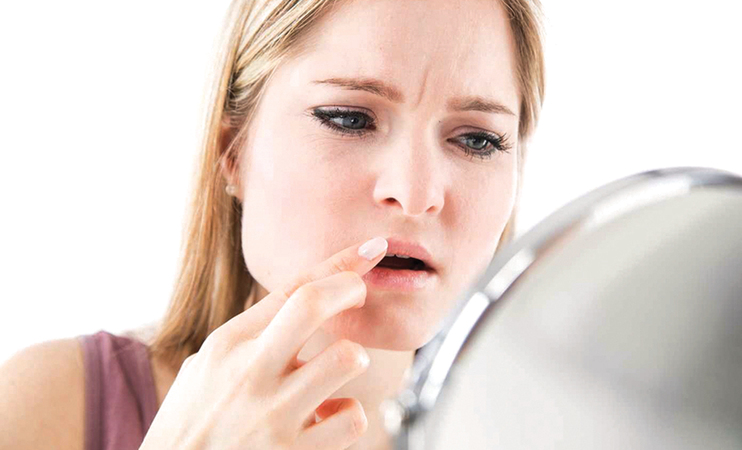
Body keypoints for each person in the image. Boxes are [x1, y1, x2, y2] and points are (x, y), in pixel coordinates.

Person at [0, 0, 545, 448]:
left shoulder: (559, 430)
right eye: (349, 119)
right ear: (232, 153)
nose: (416, 194)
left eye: (477, 139)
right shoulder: (46, 409)